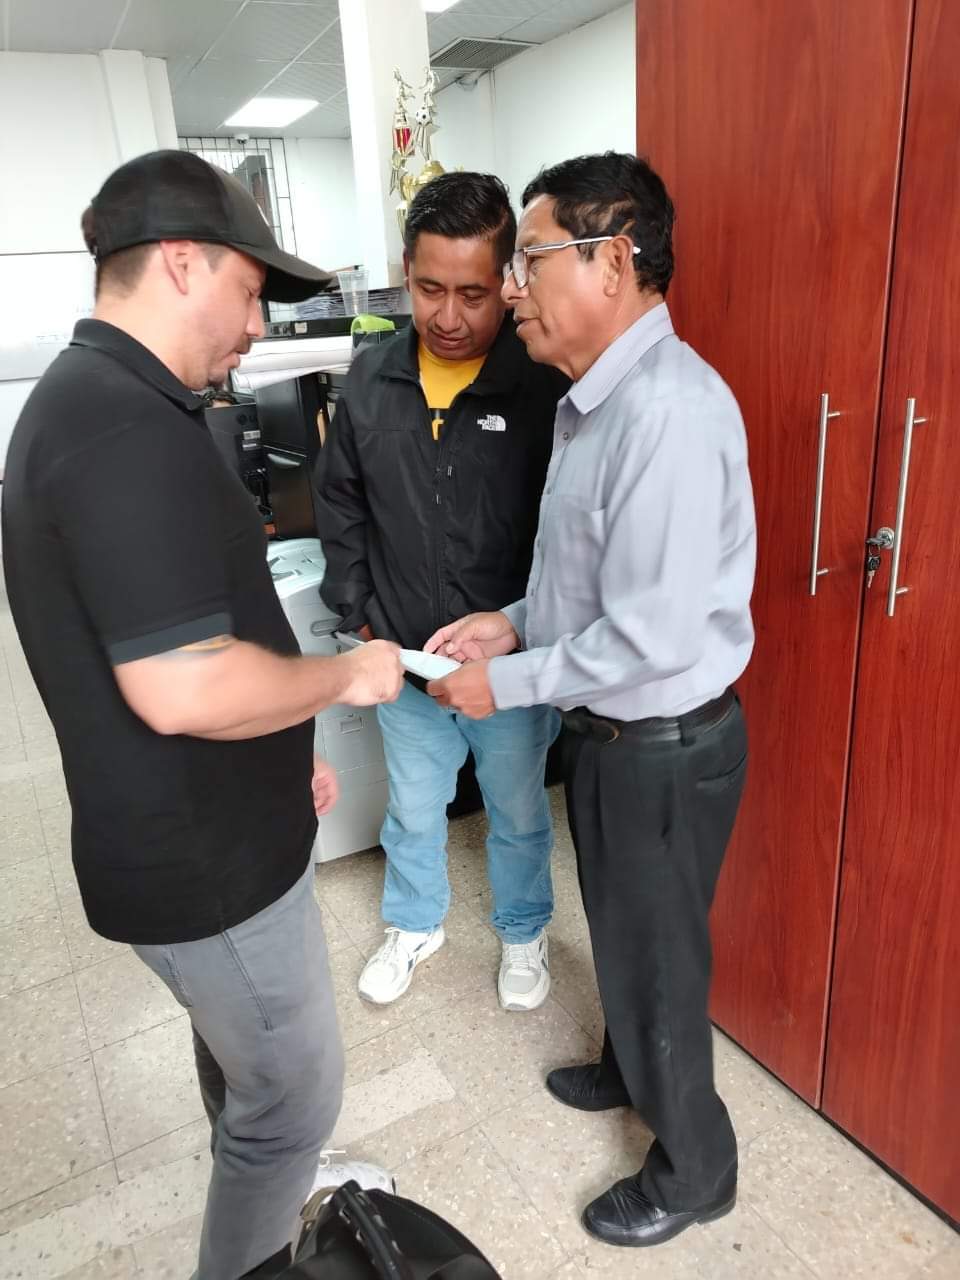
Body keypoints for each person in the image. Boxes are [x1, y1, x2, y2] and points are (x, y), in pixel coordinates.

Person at [0, 150, 404, 1280]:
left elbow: (173, 642)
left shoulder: (109, 402)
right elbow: (183, 686)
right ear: (182, 263)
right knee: (292, 1097)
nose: (258, 323)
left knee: (245, 1070)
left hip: (203, 822)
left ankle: (271, 1175)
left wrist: (277, 754)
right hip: (204, 865)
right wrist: (341, 679)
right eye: (250, 289)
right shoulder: (119, 429)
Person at [424, 152, 756, 1249]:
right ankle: (629, 1067)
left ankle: (697, 1169)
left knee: (660, 959)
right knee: (626, 930)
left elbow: (652, 633)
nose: (511, 287)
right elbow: (591, 585)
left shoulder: (667, 414)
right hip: (616, 731)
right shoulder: (596, 402)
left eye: (529, 259)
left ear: (612, 262)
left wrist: (503, 683)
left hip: (662, 741)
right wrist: (515, 622)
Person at [314, 172, 568, 1011]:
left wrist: (533, 631)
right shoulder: (371, 378)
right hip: (404, 653)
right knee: (414, 808)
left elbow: (566, 528)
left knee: (518, 811)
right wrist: (356, 609)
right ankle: (414, 924)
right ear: (406, 273)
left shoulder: (541, 383)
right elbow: (340, 500)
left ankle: (523, 931)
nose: (449, 317)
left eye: (472, 294)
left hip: (509, 666)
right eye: (429, 290)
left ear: (508, 281)